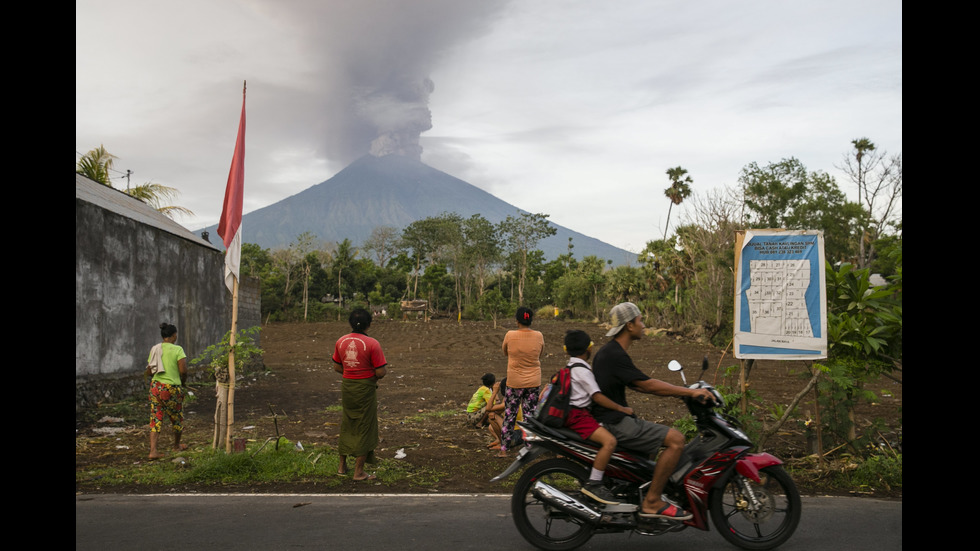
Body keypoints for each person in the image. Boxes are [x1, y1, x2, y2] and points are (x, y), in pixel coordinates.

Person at [591, 302, 714, 520]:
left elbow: (639, 383)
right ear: (629, 325)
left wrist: (680, 392)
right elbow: (646, 385)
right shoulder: (614, 354)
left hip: (611, 418)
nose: (644, 325)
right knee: (676, 440)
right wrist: (689, 393)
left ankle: (640, 493)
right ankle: (652, 501)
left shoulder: (612, 352)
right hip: (613, 423)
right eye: (640, 320)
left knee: (650, 449)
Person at [561, 330, 634, 505]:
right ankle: (594, 483)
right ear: (589, 348)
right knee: (609, 442)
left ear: (566, 350)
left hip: (574, 414)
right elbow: (597, 397)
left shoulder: (570, 368)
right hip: (578, 416)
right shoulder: (583, 371)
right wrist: (621, 408)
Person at [332, 308, 388, 481]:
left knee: (348, 422)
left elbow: (337, 366)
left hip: (348, 386)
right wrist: (366, 375)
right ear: (369, 325)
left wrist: (351, 372)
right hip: (365, 388)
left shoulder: (341, 341)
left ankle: (342, 466)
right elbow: (380, 372)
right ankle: (359, 472)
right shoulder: (372, 344)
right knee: (365, 425)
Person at [499, 306, 544, 457]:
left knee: (510, 415)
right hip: (533, 381)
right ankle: (530, 449)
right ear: (530, 320)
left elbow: (505, 351)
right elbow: (540, 353)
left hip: (514, 382)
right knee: (530, 416)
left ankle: (504, 450)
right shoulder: (538, 336)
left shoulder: (510, 335)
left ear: (517, 320)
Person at [145, 322, 188, 460]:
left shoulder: (155, 349)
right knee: (176, 417)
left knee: (156, 418)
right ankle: (176, 446)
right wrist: (183, 382)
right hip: (171, 389)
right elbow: (183, 370)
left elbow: (150, 369)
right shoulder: (178, 350)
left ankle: (153, 451)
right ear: (174, 335)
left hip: (156, 387)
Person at [466, 373, 496, 441]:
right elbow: (491, 405)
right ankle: (480, 423)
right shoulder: (487, 391)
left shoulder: (481, 388)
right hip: (473, 417)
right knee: (491, 407)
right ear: (493, 383)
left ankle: (484, 421)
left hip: (470, 416)